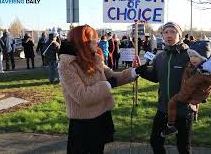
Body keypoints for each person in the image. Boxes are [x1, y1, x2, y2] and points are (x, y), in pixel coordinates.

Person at [59, 25, 140, 154]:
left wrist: (135, 72)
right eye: (94, 39)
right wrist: (108, 85)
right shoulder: (67, 65)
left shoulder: (94, 58)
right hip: (84, 125)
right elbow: (82, 96)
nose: (97, 42)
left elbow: (112, 76)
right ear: (83, 42)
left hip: (101, 117)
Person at [134, 22, 193, 154]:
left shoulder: (189, 56)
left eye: (173, 32)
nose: (169, 35)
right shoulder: (160, 57)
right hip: (163, 108)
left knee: (183, 147)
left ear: (180, 35)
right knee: (155, 142)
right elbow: (155, 77)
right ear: (162, 35)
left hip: (183, 109)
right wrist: (140, 70)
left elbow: (202, 80)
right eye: (166, 32)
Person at [161, 41, 211, 137]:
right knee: (193, 102)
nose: (192, 59)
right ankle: (194, 109)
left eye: (196, 56)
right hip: (190, 93)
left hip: (187, 94)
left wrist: (195, 96)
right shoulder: (193, 66)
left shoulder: (204, 72)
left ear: (204, 57)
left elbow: (206, 82)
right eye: (191, 56)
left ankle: (170, 125)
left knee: (172, 102)